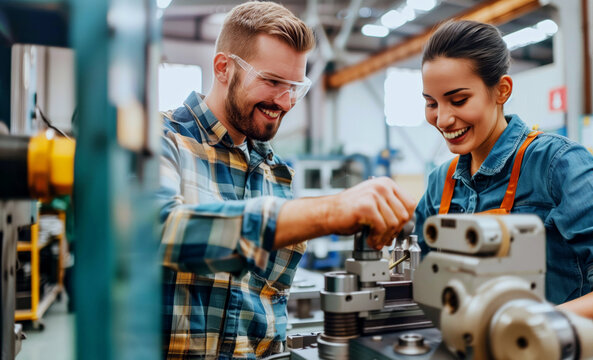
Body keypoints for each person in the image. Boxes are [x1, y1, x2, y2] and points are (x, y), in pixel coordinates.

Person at [156, 2, 415, 359]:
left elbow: (266, 307)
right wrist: (326, 213)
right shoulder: (160, 140)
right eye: (273, 81)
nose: (286, 101)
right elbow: (161, 233)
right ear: (223, 68)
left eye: (295, 86)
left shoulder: (275, 172)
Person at [413, 20, 593, 319]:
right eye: (432, 103)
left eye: (458, 100)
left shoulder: (558, 164)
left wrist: (531, 326)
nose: (442, 119)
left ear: (502, 91)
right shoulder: (441, 183)